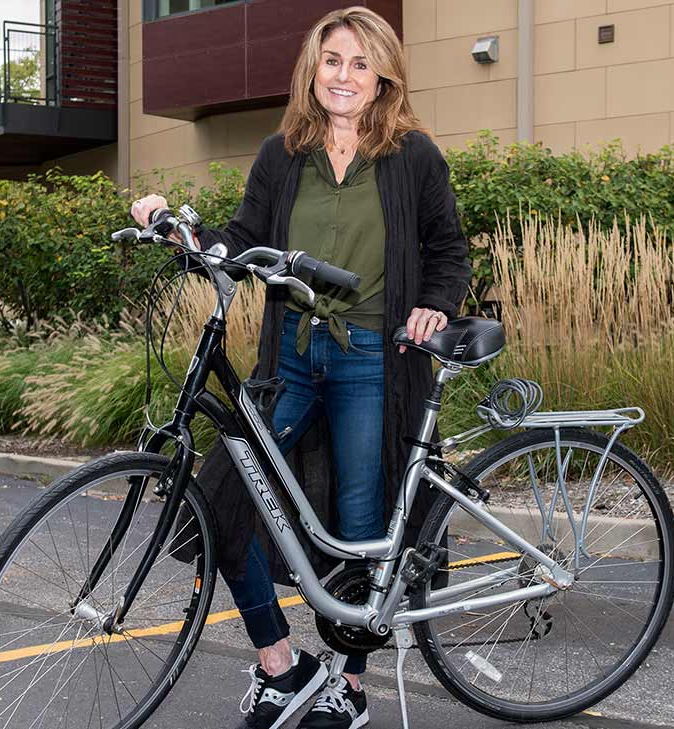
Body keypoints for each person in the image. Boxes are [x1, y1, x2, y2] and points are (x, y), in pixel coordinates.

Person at [130, 6, 470, 728]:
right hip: (290, 358)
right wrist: (179, 228)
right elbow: (244, 239)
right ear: (312, 72)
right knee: (222, 501)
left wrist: (435, 303)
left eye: (358, 62)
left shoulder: (413, 156)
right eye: (331, 61)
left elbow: (448, 249)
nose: (343, 76)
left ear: (382, 75)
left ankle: (348, 685)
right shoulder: (282, 154)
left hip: (373, 361)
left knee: (358, 525)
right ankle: (281, 666)